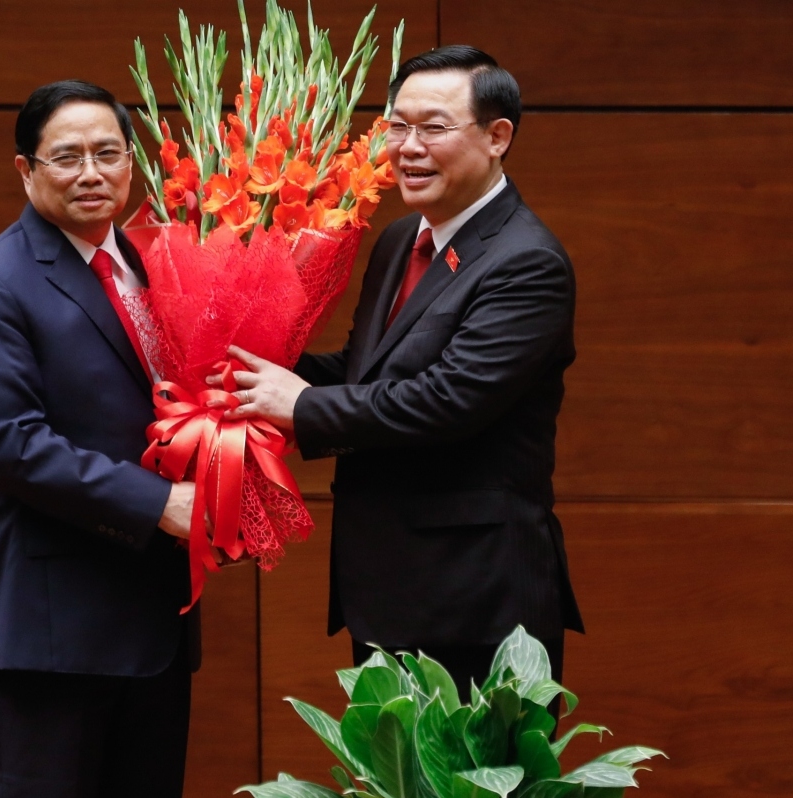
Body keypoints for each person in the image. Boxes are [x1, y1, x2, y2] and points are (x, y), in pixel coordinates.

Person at [218, 46, 584, 697]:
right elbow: (368, 373)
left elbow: (446, 401)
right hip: (389, 591)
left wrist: (299, 405)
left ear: (498, 136)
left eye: (433, 128)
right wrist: (254, 365)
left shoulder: (527, 262)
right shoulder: (399, 241)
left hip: (479, 605)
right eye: (396, 126)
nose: (406, 148)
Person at [0, 80, 199, 798]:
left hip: (154, 621)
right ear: (26, 169)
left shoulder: (157, 267)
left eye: (108, 153)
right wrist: (162, 504)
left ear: (132, 162)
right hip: (52, 635)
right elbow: (9, 444)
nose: (92, 173)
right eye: (67, 157)